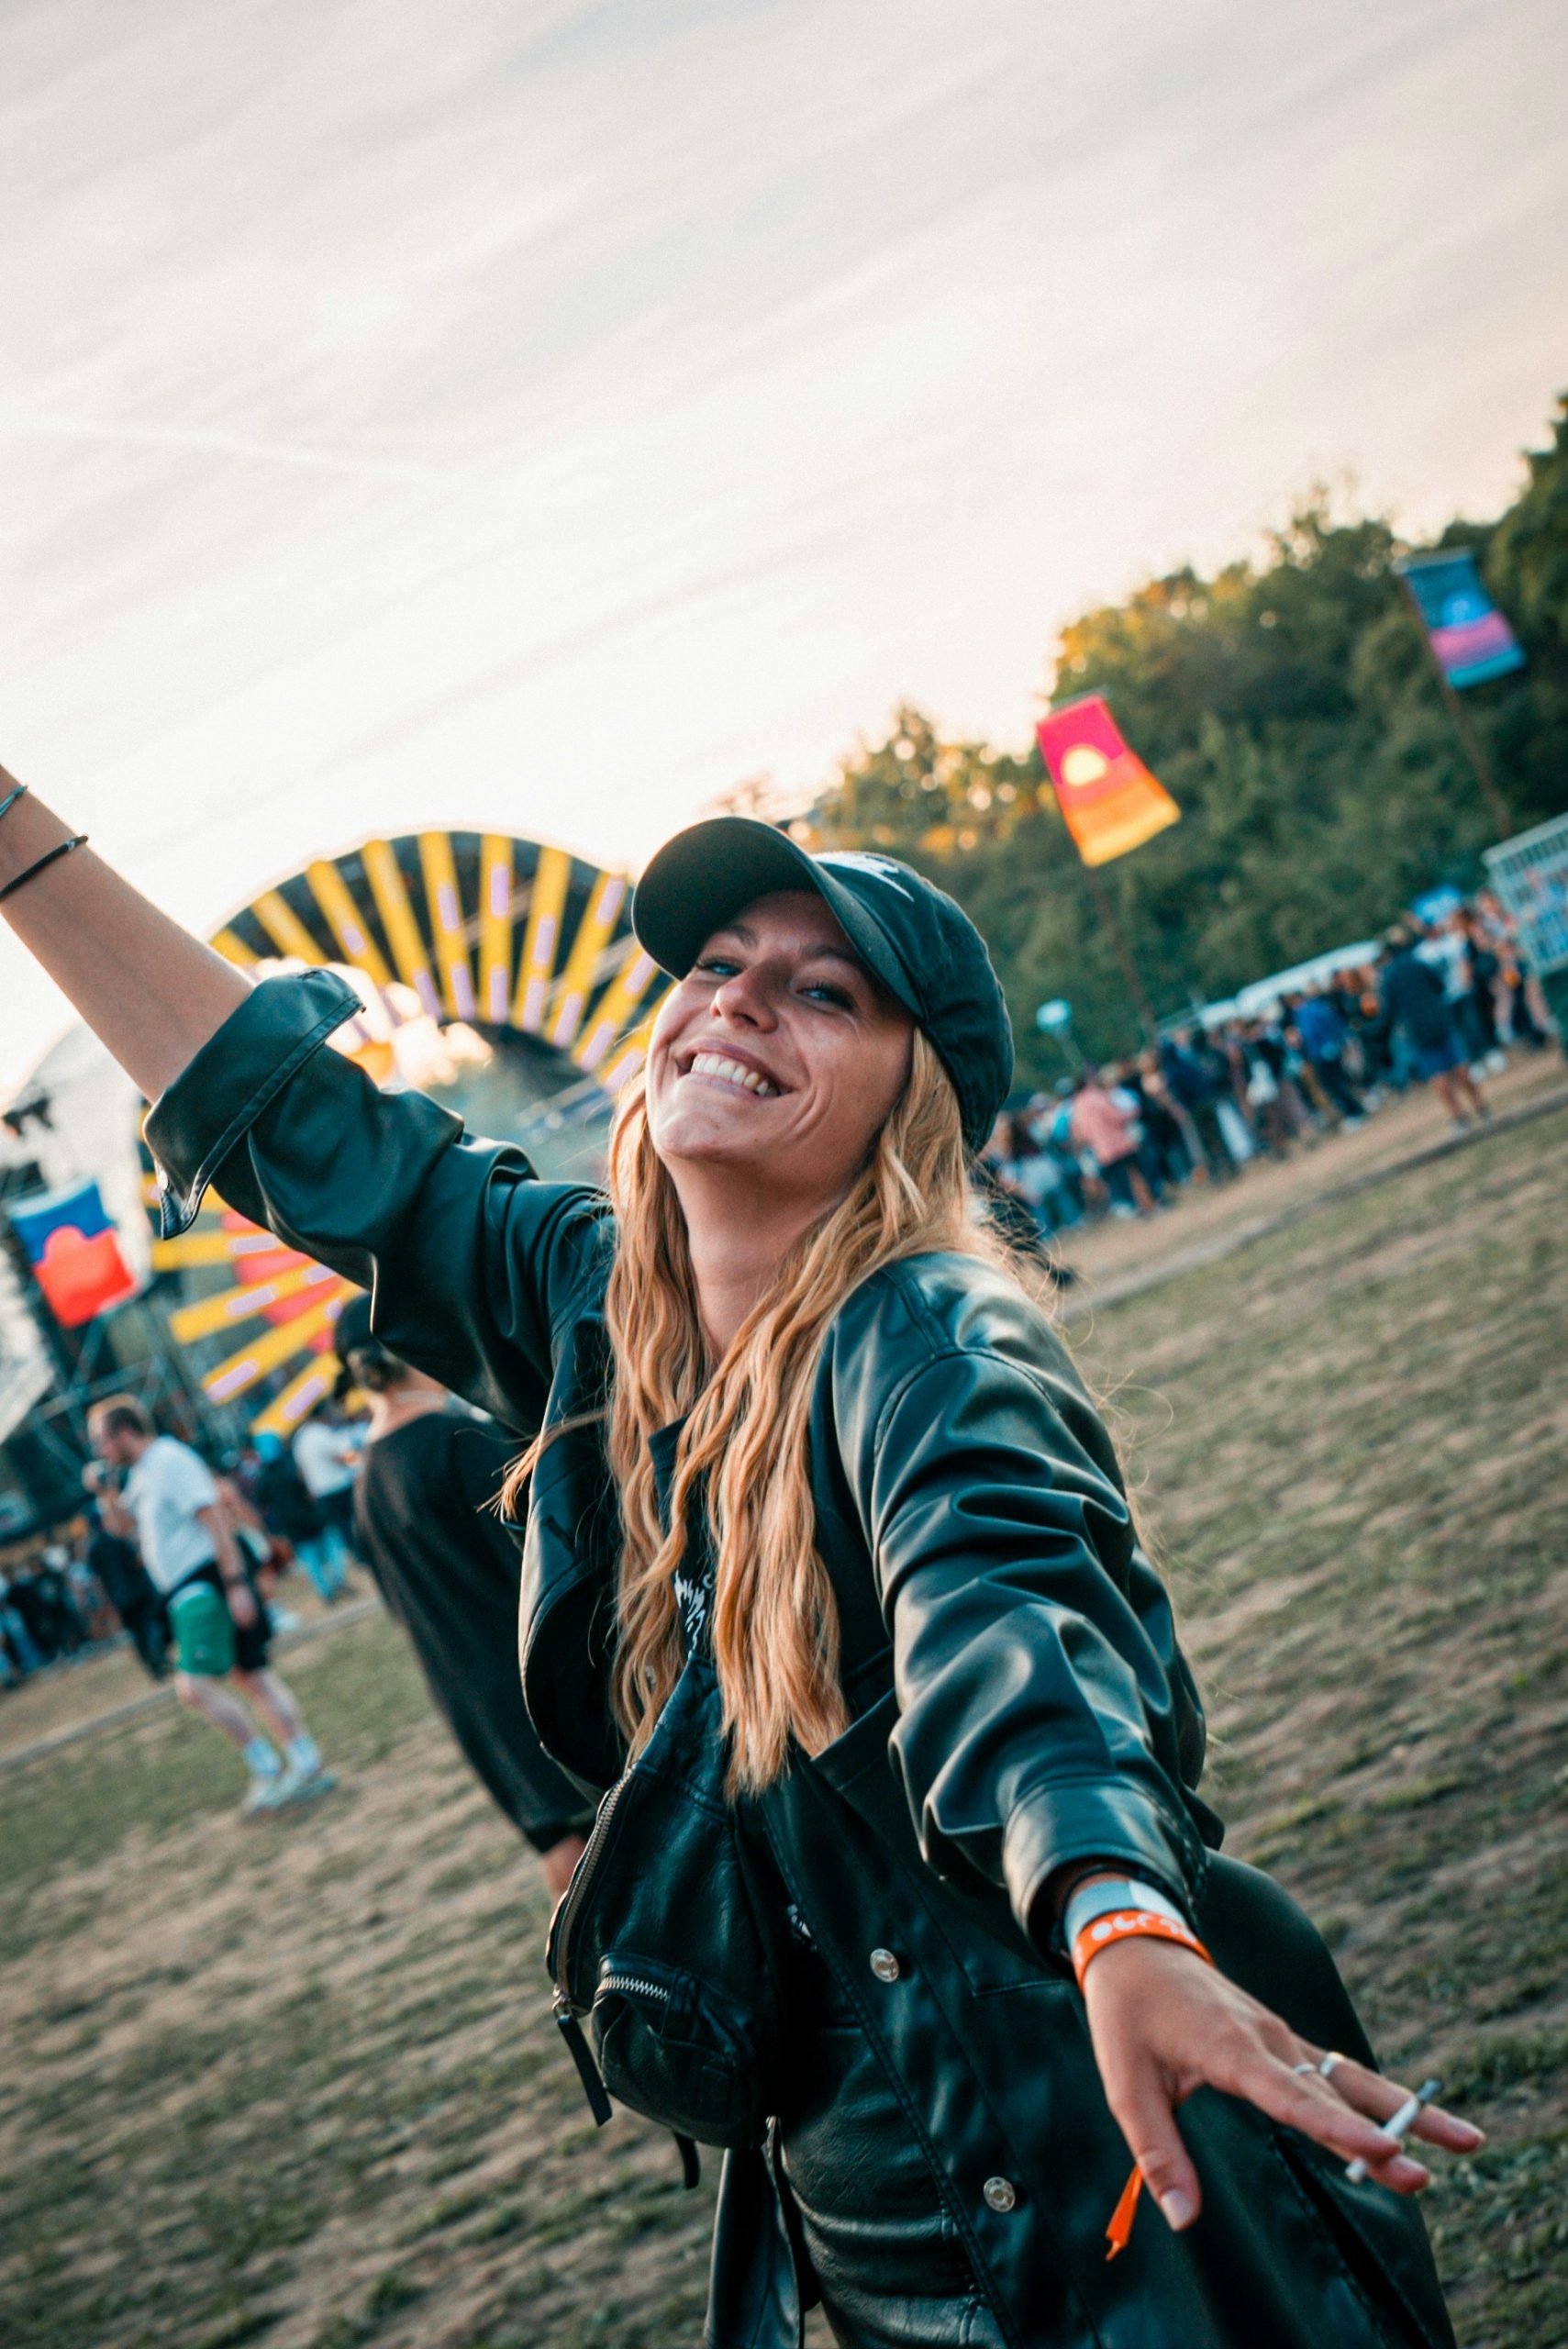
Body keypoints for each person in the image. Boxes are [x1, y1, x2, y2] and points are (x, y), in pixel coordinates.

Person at [1, 774, 1477, 2345]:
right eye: (713, 965)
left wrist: (1113, 1912)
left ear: (907, 1101)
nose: (738, 1002)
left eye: (822, 992)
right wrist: (21, 841)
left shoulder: (928, 1333)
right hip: (856, 2228)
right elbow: (305, 1126)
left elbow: (1005, 1615)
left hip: (1102, 2192)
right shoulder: (596, 1307)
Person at [329, 1297, 593, 1898]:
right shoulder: (460, 1441)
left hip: (469, 1704)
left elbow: (400, 1612)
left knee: (562, 1854)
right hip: (541, 1686)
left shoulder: (367, 1482)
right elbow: (545, 1566)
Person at [84, 1397, 334, 1819]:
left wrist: (236, 1584)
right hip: (189, 1590)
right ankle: (303, 1763)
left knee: (195, 1686)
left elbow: (213, 1517)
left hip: (203, 1584)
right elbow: (122, 1527)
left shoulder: (168, 1460)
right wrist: (105, 1492)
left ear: (124, 1432)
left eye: (101, 1440)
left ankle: (270, 1768)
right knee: (250, 1677)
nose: (99, 1450)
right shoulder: (142, 1472)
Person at [1379, 926, 1489, 1130]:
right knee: (1460, 1065)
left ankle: (1459, 1118)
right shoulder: (1419, 964)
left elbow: (1389, 1010)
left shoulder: (1389, 976)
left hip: (1417, 1030)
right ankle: (1480, 1107)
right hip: (1439, 1021)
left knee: (1437, 1075)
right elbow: (1439, 986)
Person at [83, 1497, 170, 1677]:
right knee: (149, 1625)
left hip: (119, 1599)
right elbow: (136, 1561)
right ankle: (159, 1658)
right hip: (138, 1591)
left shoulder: (93, 1549)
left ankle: (152, 1667)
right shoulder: (117, 1539)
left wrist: (105, 1601)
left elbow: (97, 1580)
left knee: (136, 1633)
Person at [290, 1402, 361, 1601]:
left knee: (339, 1529)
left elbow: (301, 1471)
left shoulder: (300, 1439)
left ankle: (354, 1557)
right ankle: (359, 1556)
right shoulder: (320, 1433)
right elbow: (340, 1457)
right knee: (351, 1524)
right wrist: (356, 1461)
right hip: (338, 1486)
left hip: (320, 1493)